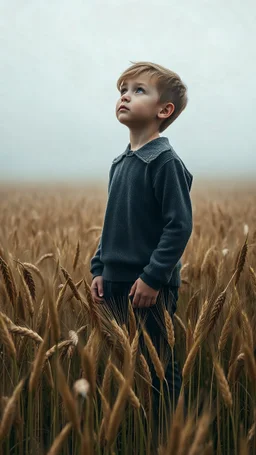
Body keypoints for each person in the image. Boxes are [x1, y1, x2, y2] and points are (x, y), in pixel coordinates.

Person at [90, 61, 193, 444]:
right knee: (121, 366)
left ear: (163, 110)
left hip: (148, 287)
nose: (125, 96)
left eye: (138, 90)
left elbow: (178, 226)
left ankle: (165, 437)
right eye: (123, 89)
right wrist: (98, 267)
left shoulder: (165, 163)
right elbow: (111, 224)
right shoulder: (121, 163)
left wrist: (153, 277)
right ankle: (126, 434)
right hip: (114, 283)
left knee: (159, 365)